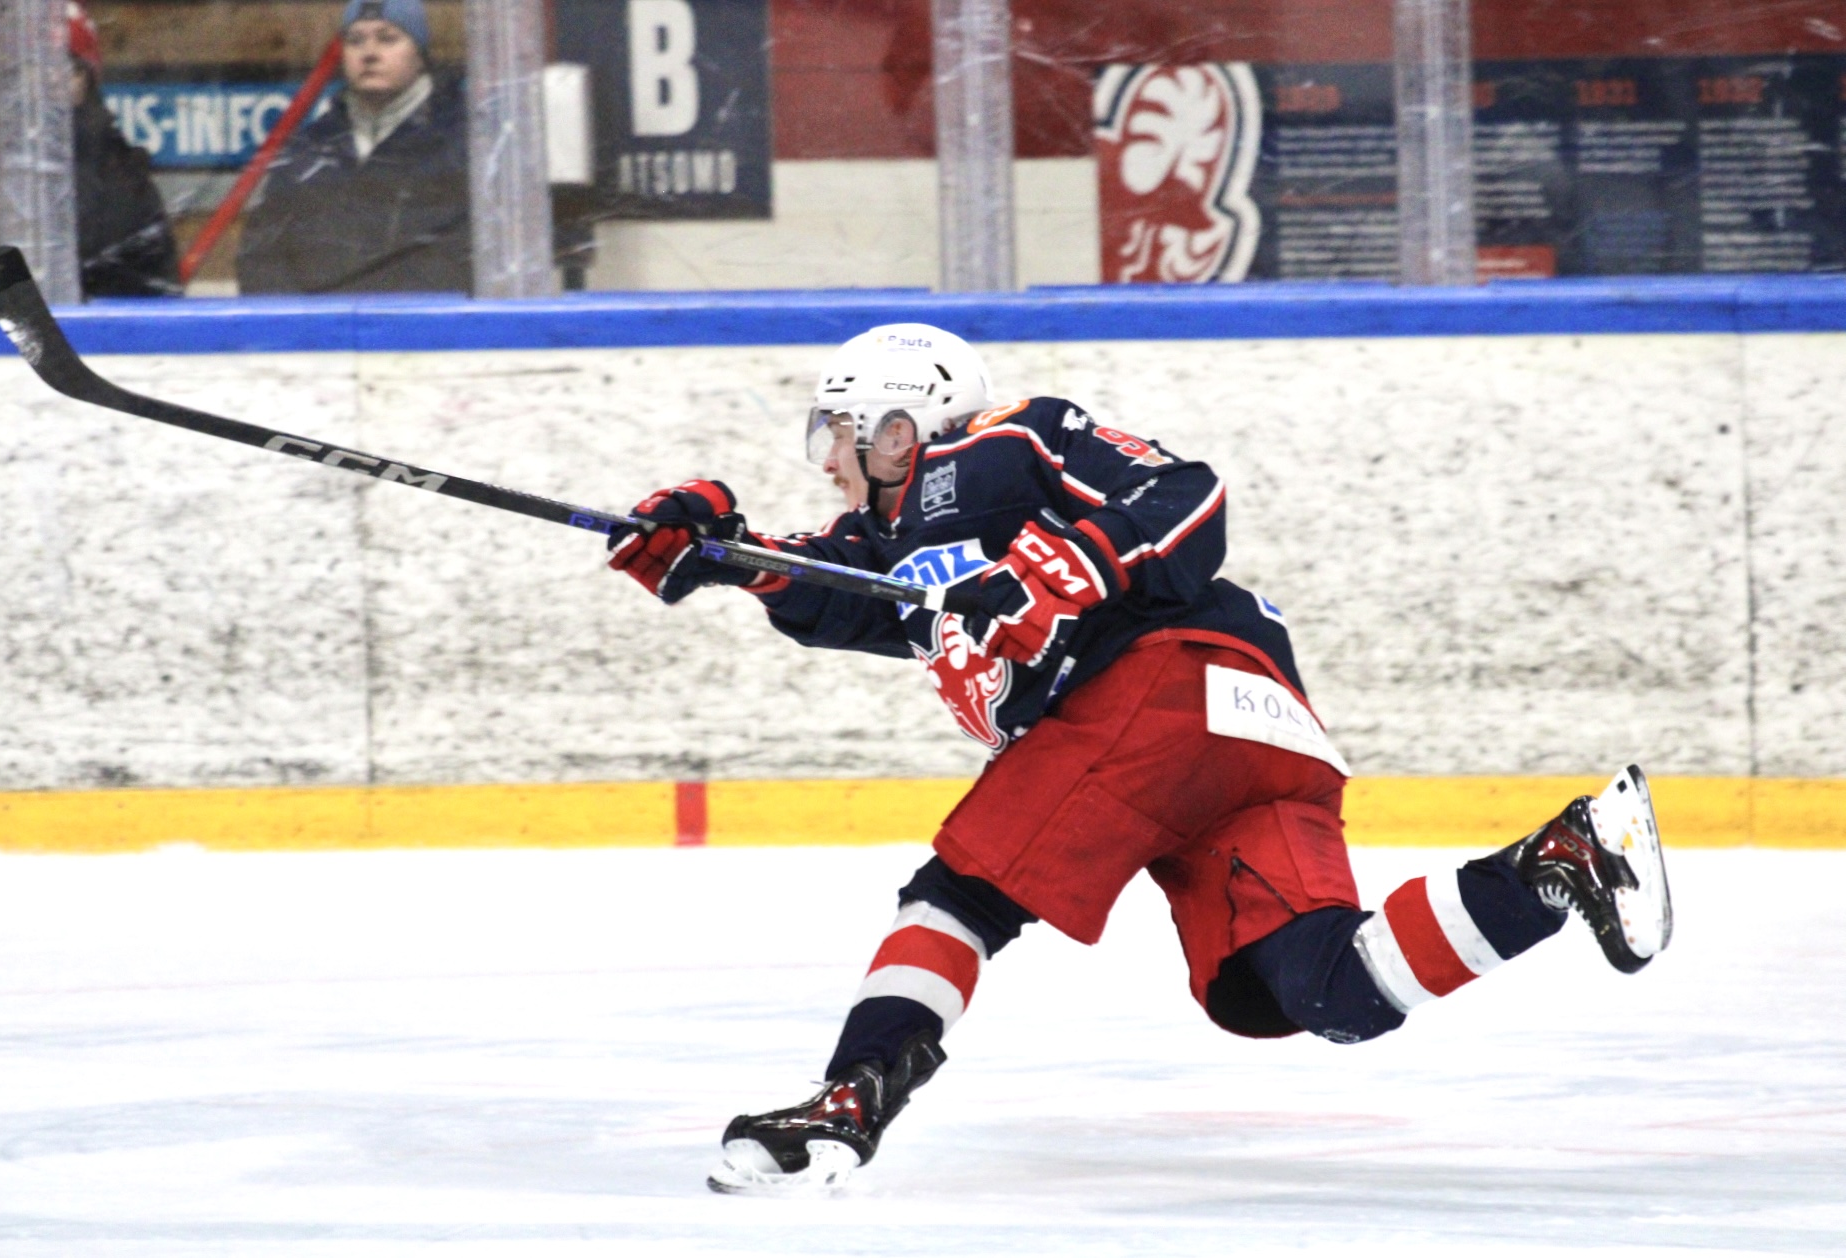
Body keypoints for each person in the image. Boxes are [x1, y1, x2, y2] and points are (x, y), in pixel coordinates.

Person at [606, 324, 1675, 1192]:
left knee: (961, 893)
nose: (831, 461)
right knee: (1325, 990)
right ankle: (1559, 861)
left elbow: (1188, 497)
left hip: (1162, 688)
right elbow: (841, 589)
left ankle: (851, 1099)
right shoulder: (895, 549)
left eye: (839, 433)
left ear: (900, 428)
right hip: (1253, 736)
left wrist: (1064, 571)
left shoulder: (1005, 446)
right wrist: (714, 549)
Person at [236, 0, 469, 294]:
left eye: (387, 39)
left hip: (427, 322)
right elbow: (261, 260)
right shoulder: (309, 151)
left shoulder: (462, 144)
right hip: (323, 322)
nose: (369, 53)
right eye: (355, 40)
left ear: (420, 55)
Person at [67, 2, 182, 297]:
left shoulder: (124, 180)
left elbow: (158, 301)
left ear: (88, 80)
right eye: (37, 68)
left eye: (70, 68)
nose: (51, 81)